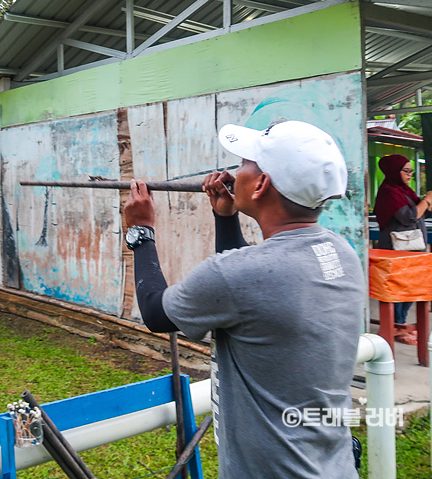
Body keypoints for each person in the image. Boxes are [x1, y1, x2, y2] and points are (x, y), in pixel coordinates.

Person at [124, 120, 365, 479]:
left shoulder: (240, 274)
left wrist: (140, 231)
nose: (235, 173)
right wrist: (226, 217)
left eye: (245, 164)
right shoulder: (340, 253)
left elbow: (157, 313)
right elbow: (254, 294)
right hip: (333, 466)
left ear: (262, 184)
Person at [372, 154, 432, 343]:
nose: (410, 174)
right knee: (398, 289)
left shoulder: (404, 190)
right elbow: (409, 217)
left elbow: (421, 214)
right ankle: (397, 327)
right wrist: (427, 200)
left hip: (412, 248)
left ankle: (400, 324)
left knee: (411, 287)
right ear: (394, 171)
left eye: (411, 170)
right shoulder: (389, 192)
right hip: (396, 249)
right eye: (406, 170)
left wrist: (430, 200)